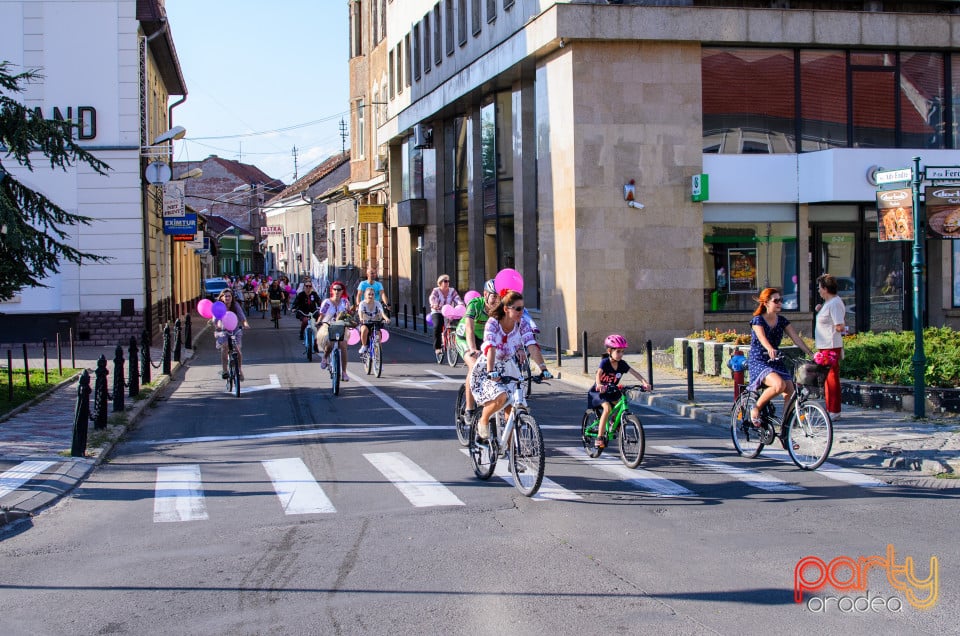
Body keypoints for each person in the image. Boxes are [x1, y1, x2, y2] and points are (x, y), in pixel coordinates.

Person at [470, 290, 552, 441]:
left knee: (513, 405)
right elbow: (490, 347)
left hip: (509, 366)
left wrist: (543, 368)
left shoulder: (522, 324)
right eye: (518, 308)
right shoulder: (493, 323)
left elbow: (532, 345)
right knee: (501, 397)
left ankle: (511, 455)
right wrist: (491, 371)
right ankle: (483, 420)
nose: (521, 312)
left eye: (523, 308)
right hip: (489, 365)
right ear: (506, 308)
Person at [747, 287, 815, 427]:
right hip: (759, 360)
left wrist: (810, 353)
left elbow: (796, 338)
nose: (779, 303)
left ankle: (785, 428)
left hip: (775, 360)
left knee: (790, 392)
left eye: (781, 300)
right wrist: (770, 348)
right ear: (766, 302)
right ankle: (756, 409)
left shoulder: (782, 320)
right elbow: (762, 337)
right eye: (776, 300)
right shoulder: (758, 320)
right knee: (779, 385)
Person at [587, 334, 652, 457]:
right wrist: (599, 383)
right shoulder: (605, 362)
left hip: (612, 391)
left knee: (619, 406)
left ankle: (614, 422)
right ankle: (600, 437)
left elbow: (635, 373)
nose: (621, 354)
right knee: (607, 408)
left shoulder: (622, 364)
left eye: (622, 351)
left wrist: (644, 383)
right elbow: (598, 373)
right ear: (609, 351)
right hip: (599, 391)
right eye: (618, 351)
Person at [455, 279, 502, 416]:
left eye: (499, 297)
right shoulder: (475, 304)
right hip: (465, 337)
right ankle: (469, 409)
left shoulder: (500, 309)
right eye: (494, 296)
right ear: (485, 294)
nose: (496, 301)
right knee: (475, 366)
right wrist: (472, 349)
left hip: (484, 339)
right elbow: (469, 328)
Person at [814, 273, 846, 420]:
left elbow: (839, 325)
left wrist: (844, 329)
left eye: (820, 287)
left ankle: (834, 409)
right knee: (827, 377)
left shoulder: (834, 303)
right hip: (825, 344)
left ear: (826, 288)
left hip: (831, 345)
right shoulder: (829, 303)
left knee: (832, 377)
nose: (819, 290)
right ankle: (830, 408)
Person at [212, 288, 250, 381]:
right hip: (223, 331)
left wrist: (245, 324)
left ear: (232, 297)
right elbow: (214, 319)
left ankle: (240, 370)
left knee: (238, 351)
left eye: (229, 296)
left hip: (235, 330)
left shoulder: (235, 305)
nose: (228, 298)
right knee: (225, 347)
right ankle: (225, 371)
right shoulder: (219, 306)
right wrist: (217, 326)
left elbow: (242, 317)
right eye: (226, 296)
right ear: (222, 298)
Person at [317, 280, 352, 379]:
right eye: (335, 289)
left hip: (341, 327)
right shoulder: (327, 302)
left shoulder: (345, 302)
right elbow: (322, 315)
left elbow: (348, 314)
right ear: (332, 290)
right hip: (328, 326)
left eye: (339, 289)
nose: (337, 291)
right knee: (330, 343)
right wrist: (319, 322)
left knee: (343, 345)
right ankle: (325, 357)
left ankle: (344, 372)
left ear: (342, 291)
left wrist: (350, 314)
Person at [428, 274, 463, 357]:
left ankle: (453, 342)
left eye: (448, 281)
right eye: (445, 281)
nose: (447, 283)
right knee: (437, 326)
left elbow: (457, 299)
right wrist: (434, 305)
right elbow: (432, 299)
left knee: (455, 326)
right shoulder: (436, 291)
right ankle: (438, 348)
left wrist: (461, 304)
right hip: (438, 311)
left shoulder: (452, 291)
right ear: (440, 283)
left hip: (449, 312)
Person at [357, 286, 390, 354]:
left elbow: (381, 312)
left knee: (378, 334)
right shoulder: (362, 303)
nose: (371, 296)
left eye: (372, 294)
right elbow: (360, 312)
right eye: (369, 294)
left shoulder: (377, 303)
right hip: (365, 322)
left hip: (375, 322)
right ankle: (364, 346)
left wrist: (386, 318)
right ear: (365, 295)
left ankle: (378, 350)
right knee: (364, 330)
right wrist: (361, 318)